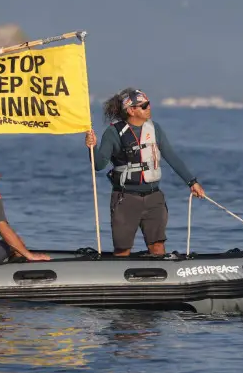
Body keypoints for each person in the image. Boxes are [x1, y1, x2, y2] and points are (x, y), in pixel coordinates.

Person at [84, 87, 206, 257]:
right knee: (122, 250)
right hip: (126, 199)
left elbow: (171, 157)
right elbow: (99, 164)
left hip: (154, 198)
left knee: (157, 247)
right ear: (131, 110)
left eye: (148, 104)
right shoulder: (113, 133)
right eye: (144, 105)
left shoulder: (154, 129)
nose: (149, 107)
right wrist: (92, 146)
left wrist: (192, 182)